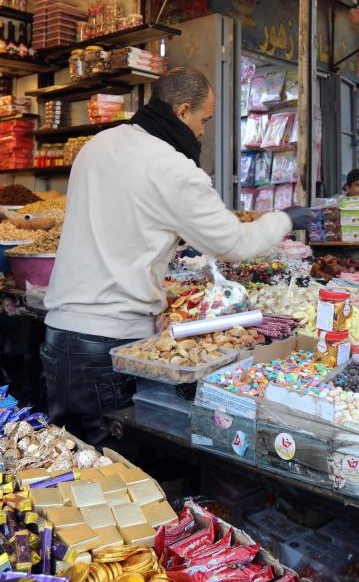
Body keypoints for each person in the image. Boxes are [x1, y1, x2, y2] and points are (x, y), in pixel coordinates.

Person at [42, 67, 313, 445]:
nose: (203, 132)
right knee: (116, 474)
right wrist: (285, 218)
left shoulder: (98, 145)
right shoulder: (173, 168)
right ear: (183, 111)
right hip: (108, 346)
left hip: (60, 337)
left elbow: (125, 223)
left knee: (69, 466)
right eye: (204, 119)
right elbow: (232, 243)